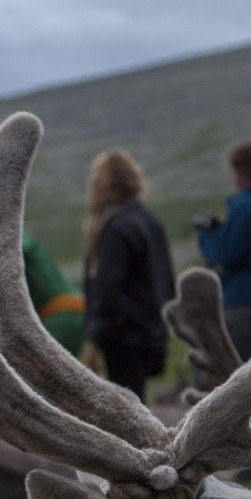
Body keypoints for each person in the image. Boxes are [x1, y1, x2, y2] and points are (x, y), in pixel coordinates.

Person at [81, 148, 175, 400]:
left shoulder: (115, 227)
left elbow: (108, 289)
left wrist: (97, 339)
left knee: (127, 410)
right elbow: (166, 280)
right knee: (138, 404)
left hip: (125, 338)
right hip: (150, 331)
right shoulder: (149, 221)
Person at [193, 140, 251, 361]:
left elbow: (225, 254)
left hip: (243, 303)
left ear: (241, 171)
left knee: (226, 371)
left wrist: (206, 235)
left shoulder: (246, 206)